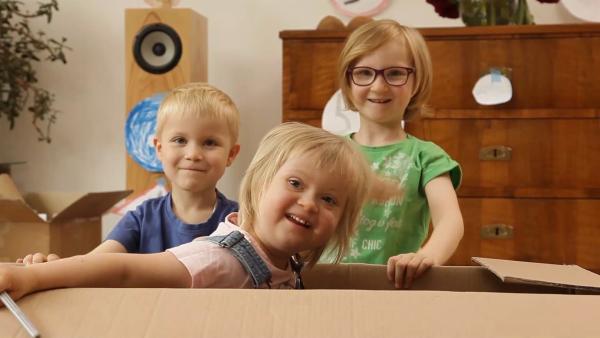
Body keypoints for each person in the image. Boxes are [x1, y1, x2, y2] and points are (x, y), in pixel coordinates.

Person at [0, 122, 371, 297]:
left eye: (329, 200)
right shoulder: (221, 259)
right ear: (258, 184)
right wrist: (33, 279)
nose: (309, 203)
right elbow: (124, 270)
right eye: (295, 184)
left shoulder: (285, 260)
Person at [17, 82, 241, 264]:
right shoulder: (141, 218)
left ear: (231, 154)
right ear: (159, 149)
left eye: (209, 142)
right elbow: (93, 265)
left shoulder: (241, 221)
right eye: (180, 140)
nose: (193, 154)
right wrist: (50, 269)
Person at [335, 20, 464, 288]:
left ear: (416, 81)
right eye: (364, 73)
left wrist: (426, 256)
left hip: (396, 287)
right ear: (348, 80)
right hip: (326, 285)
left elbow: (450, 221)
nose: (379, 87)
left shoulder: (427, 156)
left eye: (394, 74)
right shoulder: (328, 152)